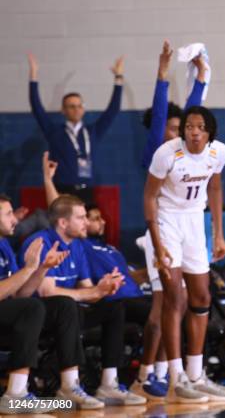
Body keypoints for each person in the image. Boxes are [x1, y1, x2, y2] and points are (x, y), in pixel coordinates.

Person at [40, 153, 166, 400]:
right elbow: (60, 211)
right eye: (87, 217)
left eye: (93, 218)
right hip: (98, 302)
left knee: (172, 307)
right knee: (133, 309)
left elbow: (127, 278)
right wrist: (47, 179)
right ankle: (145, 375)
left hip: (117, 297)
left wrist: (154, 269)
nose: (92, 221)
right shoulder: (80, 243)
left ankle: (159, 373)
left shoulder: (112, 249)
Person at [20, 195, 146, 406]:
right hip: (40, 317)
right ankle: (69, 386)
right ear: (63, 222)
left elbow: (86, 287)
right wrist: (91, 293)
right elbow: (47, 292)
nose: (86, 222)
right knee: (67, 305)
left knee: (114, 306)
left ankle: (109, 383)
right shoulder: (41, 243)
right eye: (81, 218)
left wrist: (105, 287)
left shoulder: (76, 246)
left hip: (70, 312)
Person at [144, 105, 225, 403]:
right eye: (189, 126)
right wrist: (157, 245)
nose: (194, 131)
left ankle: (196, 373)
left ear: (209, 132)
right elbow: (149, 197)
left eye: (200, 127)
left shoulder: (218, 152)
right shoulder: (166, 153)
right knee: (174, 297)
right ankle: (175, 375)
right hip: (167, 221)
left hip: (196, 221)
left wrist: (218, 233)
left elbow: (216, 188)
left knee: (202, 297)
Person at [0, 194, 75, 414]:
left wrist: (42, 268)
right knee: (31, 308)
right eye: (7, 214)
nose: (14, 220)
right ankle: (15, 394)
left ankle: (70, 386)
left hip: (7, 311)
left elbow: (19, 294)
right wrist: (29, 268)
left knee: (63, 304)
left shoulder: (4, 245)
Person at [27, 54, 124, 203]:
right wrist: (33, 75)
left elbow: (113, 109)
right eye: (71, 106)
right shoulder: (54, 132)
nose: (76, 109)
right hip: (62, 190)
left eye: (79, 106)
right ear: (63, 110)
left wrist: (118, 78)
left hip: (87, 190)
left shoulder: (93, 131)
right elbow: (37, 107)